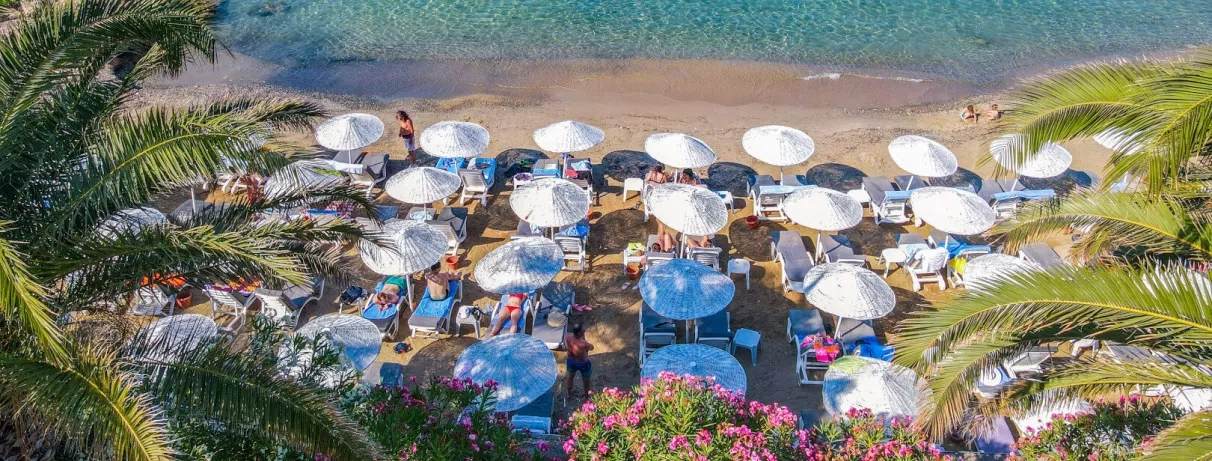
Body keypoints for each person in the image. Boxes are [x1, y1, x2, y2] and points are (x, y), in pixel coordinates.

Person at [564, 323, 594, 398]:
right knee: (586, 379)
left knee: (570, 376)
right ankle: (587, 396)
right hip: (582, 363)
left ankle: (568, 393)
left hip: (571, 360)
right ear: (579, 333)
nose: (585, 332)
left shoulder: (567, 336)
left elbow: (572, 337)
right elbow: (592, 347)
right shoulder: (583, 344)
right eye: (583, 332)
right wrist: (583, 340)